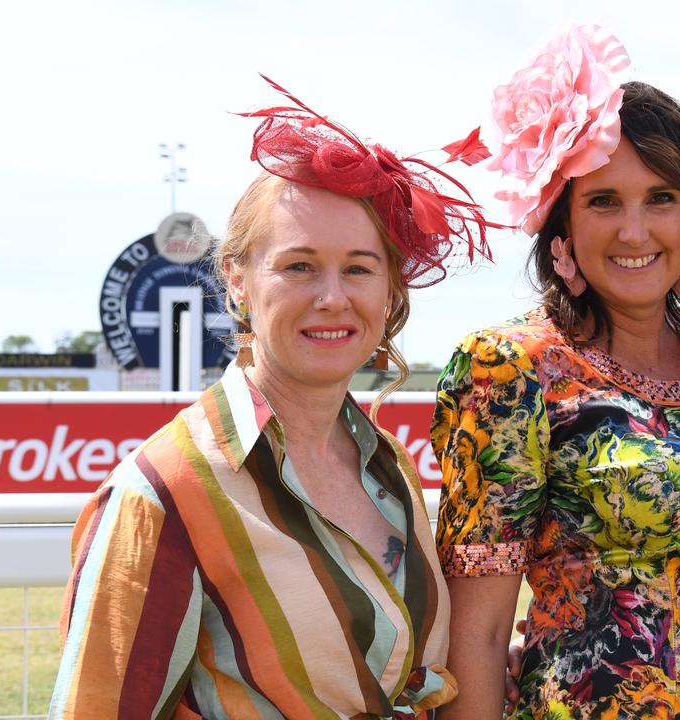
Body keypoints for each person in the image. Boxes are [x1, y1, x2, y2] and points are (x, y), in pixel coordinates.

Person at [49, 77, 495, 719]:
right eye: (299, 266)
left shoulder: (388, 465)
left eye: (360, 268)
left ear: (390, 290)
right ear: (236, 281)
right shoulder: (164, 492)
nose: (333, 297)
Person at [430, 25, 680, 719]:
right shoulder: (510, 368)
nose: (634, 231)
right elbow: (474, 635)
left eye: (661, 198)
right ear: (561, 223)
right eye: (603, 201)